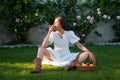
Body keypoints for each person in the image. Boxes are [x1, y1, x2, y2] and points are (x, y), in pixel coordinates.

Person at [30, 16, 95, 73]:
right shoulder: (53, 34)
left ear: (61, 24)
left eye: (55, 22)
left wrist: (88, 51)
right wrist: (49, 32)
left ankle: (70, 66)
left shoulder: (69, 33)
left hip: (67, 55)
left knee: (85, 54)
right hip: (55, 55)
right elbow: (43, 46)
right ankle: (37, 68)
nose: (53, 24)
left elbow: (79, 45)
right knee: (40, 48)